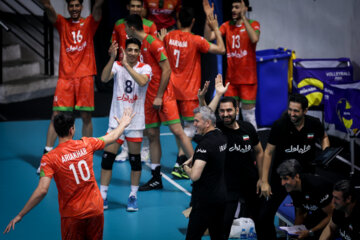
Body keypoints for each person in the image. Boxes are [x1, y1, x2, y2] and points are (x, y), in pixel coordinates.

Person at [3, 110, 134, 239]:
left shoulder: (49, 158)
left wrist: (20, 214)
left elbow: (42, 190)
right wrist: (123, 124)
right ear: (72, 129)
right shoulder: (87, 143)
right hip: (95, 210)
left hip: (73, 216)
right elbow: (112, 137)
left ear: (56, 130)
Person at [125, 14, 194, 191]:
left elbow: (167, 69)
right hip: (148, 96)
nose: (124, 31)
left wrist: (159, 95)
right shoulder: (140, 46)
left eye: (126, 27)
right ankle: (156, 178)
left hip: (163, 95)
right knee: (153, 134)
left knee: (178, 131)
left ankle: (198, 169)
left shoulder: (154, 42)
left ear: (132, 28)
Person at [157, 8, 225, 179]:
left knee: (181, 130)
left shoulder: (168, 37)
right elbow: (221, 49)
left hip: (171, 90)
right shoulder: (196, 40)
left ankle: (180, 162)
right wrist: (215, 27)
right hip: (188, 92)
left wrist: (161, 40)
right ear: (193, 22)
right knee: (188, 129)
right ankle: (183, 163)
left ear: (178, 21)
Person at [39, 0, 104, 172]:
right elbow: (48, 7)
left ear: (82, 6)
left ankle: (86, 153)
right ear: (68, 7)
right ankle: (46, 157)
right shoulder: (62, 23)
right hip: (66, 78)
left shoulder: (89, 23)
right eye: (71, 6)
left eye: (77, 5)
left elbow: (98, 8)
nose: (74, 9)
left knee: (86, 117)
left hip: (85, 77)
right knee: (56, 115)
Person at [198, 74, 263, 239]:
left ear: (237, 110)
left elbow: (259, 151)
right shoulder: (216, 129)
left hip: (250, 184)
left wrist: (262, 179)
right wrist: (211, 96)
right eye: (222, 111)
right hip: (227, 187)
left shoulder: (248, 128)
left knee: (263, 223)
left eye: (229, 110)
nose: (225, 114)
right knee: (222, 229)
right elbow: (205, 115)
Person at [259, 93, 330, 240]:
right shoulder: (280, 125)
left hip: (304, 179)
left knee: (303, 212)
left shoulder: (314, 123)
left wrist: (326, 152)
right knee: (265, 215)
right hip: (282, 178)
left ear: (305, 110)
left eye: (296, 111)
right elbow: (268, 152)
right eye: (290, 109)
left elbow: (324, 137)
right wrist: (264, 181)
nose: (292, 113)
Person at [99, 38, 151, 211]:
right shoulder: (117, 66)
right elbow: (104, 78)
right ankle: (103, 196)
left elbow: (143, 82)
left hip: (135, 122)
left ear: (139, 52)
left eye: (136, 50)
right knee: (107, 160)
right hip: (116, 121)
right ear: (125, 50)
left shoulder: (145, 68)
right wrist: (112, 58)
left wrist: (127, 66)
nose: (133, 53)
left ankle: (133, 196)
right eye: (130, 50)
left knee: (135, 162)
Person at [111, 0, 157, 162]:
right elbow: (115, 46)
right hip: (125, 70)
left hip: (142, 71)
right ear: (128, 7)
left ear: (143, 8)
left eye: (139, 6)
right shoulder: (119, 24)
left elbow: (153, 47)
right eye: (133, 6)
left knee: (141, 111)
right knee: (125, 107)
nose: (136, 9)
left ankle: (144, 149)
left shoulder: (150, 25)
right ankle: (124, 148)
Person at [203, 0, 260, 129]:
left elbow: (254, 39)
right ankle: (231, 143)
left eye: (237, 7)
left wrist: (244, 18)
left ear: (245, 7)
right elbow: (209, 37)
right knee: (229, 115)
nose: (233, 10)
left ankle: (252, 145)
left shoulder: (254, 24)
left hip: (248, 80)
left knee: (248, 116)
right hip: (232, 80)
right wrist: (208, 18)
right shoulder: (227, 25)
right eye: (232, 7)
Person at [182, 106, 227, 240]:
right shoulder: (220, 135)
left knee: (192, 237)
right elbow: (208, 156)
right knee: (217, 235)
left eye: (197, 121)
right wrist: (195, 157)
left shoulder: (205, 144)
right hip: (221, 197)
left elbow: (195, 176)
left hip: (204, 201)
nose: (194, 124)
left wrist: (185, 167)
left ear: (207, 123)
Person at [277, 159, 334, 239]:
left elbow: (331, 215)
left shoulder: (316, 187)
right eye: (281, 179)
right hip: (317, 212)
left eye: (286, 179)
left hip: (334, 217)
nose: (282, 183)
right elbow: (300, 213)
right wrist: (295, 233)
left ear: (296, 176)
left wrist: (311, 232)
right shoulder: (293, 188)